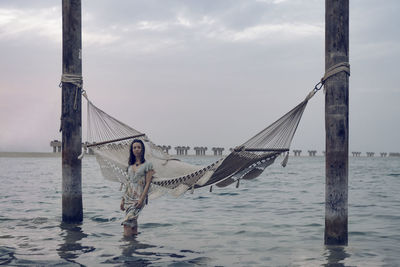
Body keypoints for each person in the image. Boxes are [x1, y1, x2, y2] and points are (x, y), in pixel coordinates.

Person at [120, 139, 154, 236]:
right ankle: (134, 245)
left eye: (139, 147)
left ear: (142, 149)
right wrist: (122, 199)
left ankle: (126, 246)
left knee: (127, 222)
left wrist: (141, 199)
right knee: (132, 222)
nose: (136, 149)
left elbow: (148, 183)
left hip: (139, 196)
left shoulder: (148, 165)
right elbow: (128, 183)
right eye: (134, 147)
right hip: (128, 196)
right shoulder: (130, 165)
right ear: (132, 150)